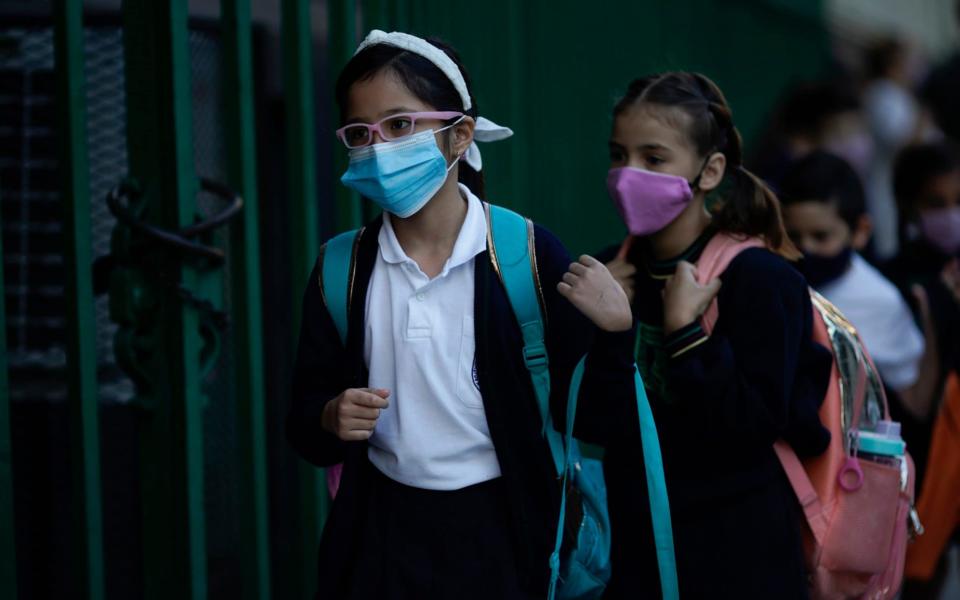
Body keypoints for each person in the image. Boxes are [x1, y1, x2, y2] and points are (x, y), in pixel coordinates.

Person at [287, 30, 637, 600]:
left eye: (400, 125)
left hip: (505, 536)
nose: (378, 148)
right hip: (380, 539)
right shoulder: (338, 269)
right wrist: (329, 415)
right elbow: (304, 426)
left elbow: (596, 418)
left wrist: (617, 334)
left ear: (460, 137)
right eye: (360, 133)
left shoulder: (526, 254)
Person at [598, 72, 831, 598]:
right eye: (618, 155)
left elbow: (749, 430)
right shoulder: (610, 272)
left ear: (711, 170)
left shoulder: (761, 281)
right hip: (638, 553)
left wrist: (686, 336)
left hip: (739, 559)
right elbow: (593, 422)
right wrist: (605, 329)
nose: (627, 175)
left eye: (654, 159)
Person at [778, 150, 936, 422]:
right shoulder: (774, 281)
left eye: (821, 236)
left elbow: (913, 400)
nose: (806, 249)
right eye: (793, 237)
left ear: (861, 231)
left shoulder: (879, 300)